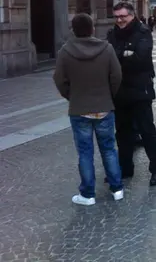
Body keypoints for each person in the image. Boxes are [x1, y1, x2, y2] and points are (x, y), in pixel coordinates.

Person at [53, 13, 124, 206]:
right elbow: (116, 76)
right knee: (109, 149)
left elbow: (59, 79)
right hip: (104, 107)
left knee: (85, 153)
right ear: (92, 28)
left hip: (79, 108)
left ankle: (88, 194)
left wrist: (72, 95)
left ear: (73, 30)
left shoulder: (65, 51)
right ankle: (117, 188)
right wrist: (108, 95)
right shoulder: (106, 48)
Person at [107, 2, 156, 186]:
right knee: (122, 133)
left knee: (147, 131)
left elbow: (141, 58)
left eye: (123, 16)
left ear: (132, 15)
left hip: (141, 89)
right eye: (116, 17)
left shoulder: (142, 31)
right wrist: (125, 54)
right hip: (120, 91)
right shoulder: (112, 34)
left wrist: (120, 56)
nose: (119, 20)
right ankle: (125, 168)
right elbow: (109, 58)